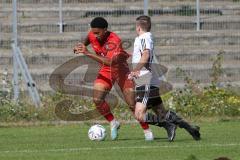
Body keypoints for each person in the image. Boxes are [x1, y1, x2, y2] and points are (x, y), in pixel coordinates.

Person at [73, 17, 164, 141]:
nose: (95, 35)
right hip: (106, 71)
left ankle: (147, 131)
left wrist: (87, 52)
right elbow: (89, 38)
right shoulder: (92, 34)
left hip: (121, 71)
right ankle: (113, 122)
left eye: (97, 33)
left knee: (132, 104)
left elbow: (110, 62)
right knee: (97, 99)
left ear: (105, 30)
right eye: (93, 32)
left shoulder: (114, 41)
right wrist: (82, 45)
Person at [129, 15, 201, 141]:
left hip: (144, 79)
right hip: (148, 79)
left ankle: (168, 125)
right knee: (161, 112)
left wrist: (136, 70)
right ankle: (190, 128)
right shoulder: (144, 38)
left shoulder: (144, 37)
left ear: (138, 27)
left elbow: (145, 55)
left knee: (139, 115)